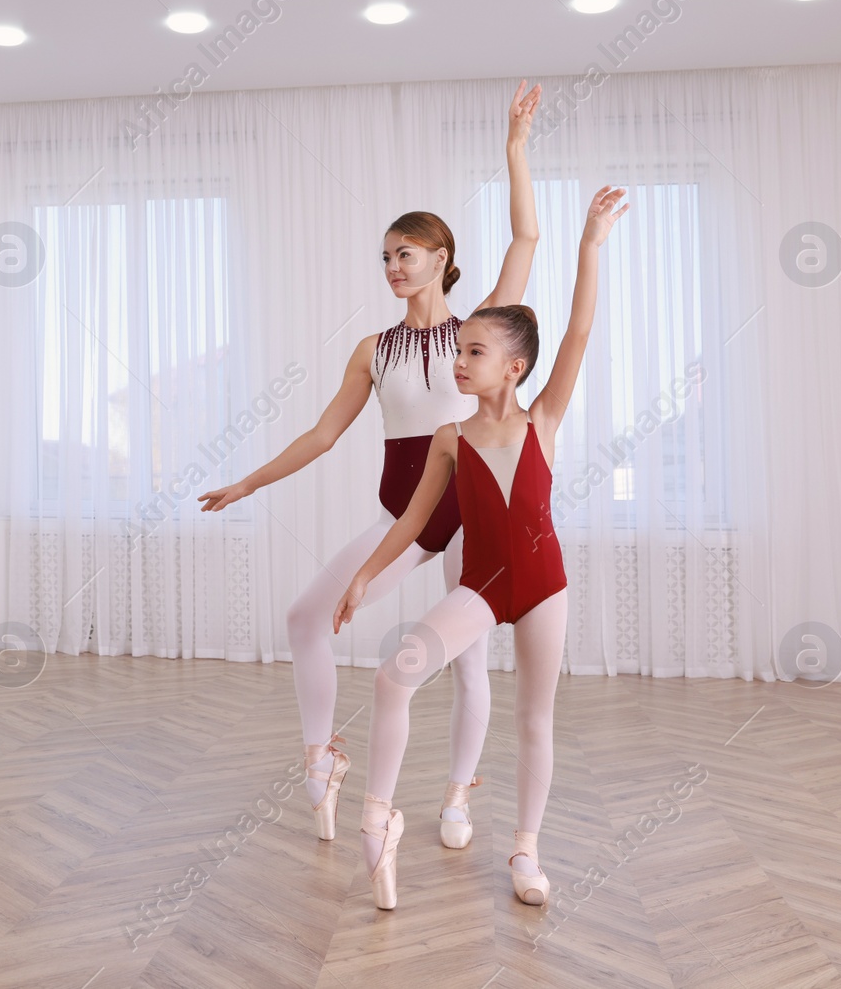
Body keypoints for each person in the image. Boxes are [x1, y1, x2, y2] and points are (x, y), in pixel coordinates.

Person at [198, 82, 544, 844]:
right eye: (386, 256)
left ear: (439, 260)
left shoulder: (476, 333)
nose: (392, 265)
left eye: (406, 253)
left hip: (472, 524)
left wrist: (514, 151)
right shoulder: (372, 348)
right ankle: (321, 761)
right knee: (304, 617)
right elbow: (324, 434)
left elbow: (525, 242)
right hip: (407, 518)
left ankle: (456, 796)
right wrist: (248, 480)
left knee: (469, 666)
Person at [333, 185, 630, 910]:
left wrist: (590, 246)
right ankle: (380, 817)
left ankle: (527, 847)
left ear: (513, 368)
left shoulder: (544, 420)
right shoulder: (449, 439)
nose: (458, 361)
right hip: (482, 586)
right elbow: (411, 521)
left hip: (543, 590)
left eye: (473, 352)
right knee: (391, 677)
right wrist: (365, 575)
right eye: (459, 350)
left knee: (535, 718)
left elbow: (579, 334)